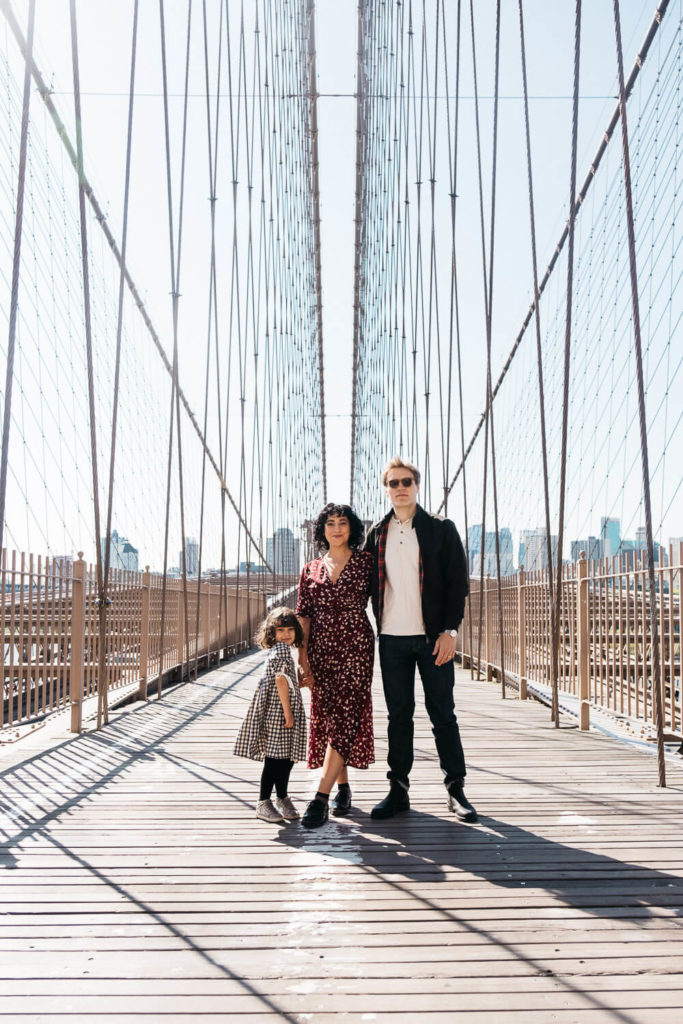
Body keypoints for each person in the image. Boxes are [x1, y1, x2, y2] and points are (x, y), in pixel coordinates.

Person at [363, 457, 477, 823]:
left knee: (443, 713)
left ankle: (456, 790)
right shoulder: (376, 533)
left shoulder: (442, 529)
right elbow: (360, 583)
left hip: (432, 640)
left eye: (406, 482)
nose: (400, 488)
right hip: (392, 640)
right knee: (399, 716)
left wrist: (450, 631)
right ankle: (398, 789)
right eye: (393, 483)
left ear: (417, 486)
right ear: (386, 489)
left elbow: (458, 584)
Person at [296, 503, 375, 829]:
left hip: (356, 648)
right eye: (330, 523)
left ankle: (320, 797)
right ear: (322, 530)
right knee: (330, 716)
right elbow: (303, 616)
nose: (337, 528)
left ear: (352, 528)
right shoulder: (310, 569)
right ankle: (343, 787)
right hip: (321, 651)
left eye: (343, 523)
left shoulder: (368, 563)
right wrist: (303, 660)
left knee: (346, 714)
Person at [233, 607, 307, 823]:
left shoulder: (278, 651)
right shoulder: (282, 651)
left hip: (273, 708)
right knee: (277, 759)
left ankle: (281, 798)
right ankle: (264, 801)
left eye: (290, 630)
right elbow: (281, 681)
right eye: (280, 630)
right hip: (280, 710)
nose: (286, 635)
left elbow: (284, 678)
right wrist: (288, 713)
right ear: (272, 633)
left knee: (282, 757)